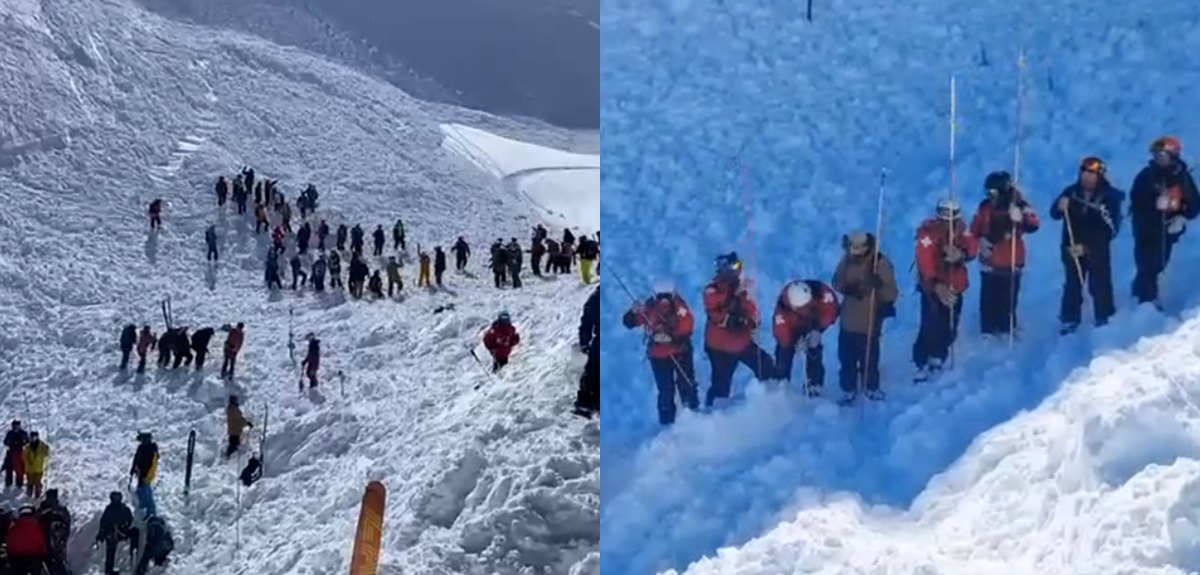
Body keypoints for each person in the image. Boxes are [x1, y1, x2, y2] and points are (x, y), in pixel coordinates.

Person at [1050, 157, 1124, 333]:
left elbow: (1110, 229)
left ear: (1099, 176)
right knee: (1072, 285)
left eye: (1091, 173)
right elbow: (1055, 214)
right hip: (1072, 246)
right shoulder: (1071, 192)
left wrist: (1087, 247)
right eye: (1084, 172)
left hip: (1097, 250)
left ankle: (1104, 317)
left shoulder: (1109, 197)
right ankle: (1069, 319)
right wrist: (1060, 206)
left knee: (1100, 283)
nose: (1086, 176)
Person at [1130, 136, 1200, 307]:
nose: (1159, 159)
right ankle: (1146, 298)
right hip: (1146, 228)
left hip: (1169, 228)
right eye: (1156, 155)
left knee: (1159, 262)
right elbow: (1135, 200)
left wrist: (1182, 217)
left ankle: (1144, 293)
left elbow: (1194, 203)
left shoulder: (1182, 177)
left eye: (1162, 155)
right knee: (1146, 263)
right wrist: (1153, 205)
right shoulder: (1146, 176)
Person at [912, 198, 977, 382]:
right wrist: (935, 284)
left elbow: (972, 248)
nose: (947, 218)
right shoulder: (928, 234)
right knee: (930, 323)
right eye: (944, 214)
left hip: (955, 284)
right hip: (933, 287)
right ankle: (921, 360)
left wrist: (961, 253)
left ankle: (939, 355)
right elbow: (925, 262)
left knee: (950, 323)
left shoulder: (962, 230)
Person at [970, 171, 1040, 336]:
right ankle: (988, 330)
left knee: (1008, 299)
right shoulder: (985, 207)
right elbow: (974, 230)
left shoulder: (1019, 205)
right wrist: (980, 242)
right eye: (988, 192)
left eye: (993, 193)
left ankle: (1007, 329)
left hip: (1011, 261)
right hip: (989, 262)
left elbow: (1034, 224)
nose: (990, 196)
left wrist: (1021, 218)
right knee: (988, 299)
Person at [831, 231, 898, 401]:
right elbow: (836, 282)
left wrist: (879, 285)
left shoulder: (879, 263)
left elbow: (891, 293)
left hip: (870, 321)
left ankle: (871, 387)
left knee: (870, 358)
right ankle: (848, 389)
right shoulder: (846, 261)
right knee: (846, 359)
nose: (855, 251)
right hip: (848, 320)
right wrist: (850, 288)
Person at [702, 252, 774, 407]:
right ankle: (713, 415)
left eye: (739, 265)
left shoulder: (742, 287)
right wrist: (736, 298)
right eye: (735, 266)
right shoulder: (713, 290)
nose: (738, 269)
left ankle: (771, 398)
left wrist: (752, 320)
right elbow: (715, 310)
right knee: (720, 385)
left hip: (740, 342)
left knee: (766, 366)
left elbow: (752, 310)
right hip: (720, 347)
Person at [622, 281, 696, 424]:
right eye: (660, 296)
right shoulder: (649, 307)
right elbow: (629, 323)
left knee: (687, 382)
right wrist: (632, 312)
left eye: (667, 296)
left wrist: (671, 338)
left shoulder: (681, 307)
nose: (664, 300)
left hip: (680, 352)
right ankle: (667, 423)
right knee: (665, 389)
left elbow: (687, 327)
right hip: (659, 355)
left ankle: (693, 412)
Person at [771, 279, 839, 396]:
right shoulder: (782, 311)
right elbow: (781, 335)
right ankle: (782, 385)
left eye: (807, 305)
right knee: (783, 354)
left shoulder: (821, 293)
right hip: (792, 327)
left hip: (813, 322)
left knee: (814, 350)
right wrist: (793, 343)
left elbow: (831, 310)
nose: (805, 310)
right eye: (802, 308)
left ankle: (814, 385)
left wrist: (818, 329)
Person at [97, 491, 136, 575]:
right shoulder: (109, 509)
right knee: (110, 547)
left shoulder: (124, 508)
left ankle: (133, 554)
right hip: (112, 534)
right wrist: (101, 534)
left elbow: (130, 520)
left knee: (135, 532)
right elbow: (103, 523)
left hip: (122, 531)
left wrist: (124, 526)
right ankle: (109, 570)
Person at [38, 489, 71, 575]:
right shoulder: (60, 509)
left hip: (48, 542)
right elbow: (67, 523)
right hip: (55, 542)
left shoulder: (43, 509)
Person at [6, 506, 46, 575]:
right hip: (34, 556)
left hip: (18, 557)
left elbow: (10, 541)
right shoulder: (37, 524)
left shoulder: (15, 525)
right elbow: (41, 540)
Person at [129, 432, 159, 518]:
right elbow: (136, 459)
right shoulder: (141, 448)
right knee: (141, 490)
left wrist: (146, 474)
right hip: (141, 473)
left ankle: (150, 512)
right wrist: (133, 469)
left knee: (146, 491)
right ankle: (143, 510)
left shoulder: (151, 449)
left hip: (147, 474)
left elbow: (152, 463)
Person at [21, 431, 48, 499]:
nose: (33, 439)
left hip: (38, 468)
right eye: (32, 437)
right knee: (30, 482)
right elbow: (23, 456)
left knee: (37, 483)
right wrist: (28, 461)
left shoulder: (42, 445)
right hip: (29, 469)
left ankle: (37, 496)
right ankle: (29, 495)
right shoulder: (27, 447)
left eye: (35, 437)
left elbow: (46, 453)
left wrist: (46, 449)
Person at [2, 421, 27, 490]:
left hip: (20, 452)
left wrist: (21, 442)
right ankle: (8, 483)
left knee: (19, 469)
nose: (16, 427)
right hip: (11, 452)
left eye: (17, 426)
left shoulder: (23, 433)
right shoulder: (10, 433)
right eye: (15, 426)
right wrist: (10, 443)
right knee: (9, 467)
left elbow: (27, 441)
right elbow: (5, 442)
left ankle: (19, 483)